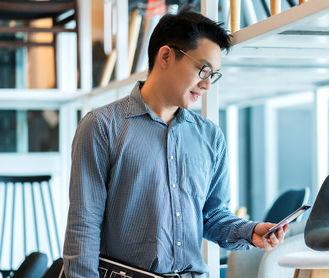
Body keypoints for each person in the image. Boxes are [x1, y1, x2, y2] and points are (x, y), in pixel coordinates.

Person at [63, 8, 288, 277]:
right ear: (166, 56)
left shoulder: (210, 137)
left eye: (213, 75)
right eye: (203, 70)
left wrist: (250, 232)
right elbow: (83, 227)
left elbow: (212, 215)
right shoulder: (102, 127)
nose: (207, 85)